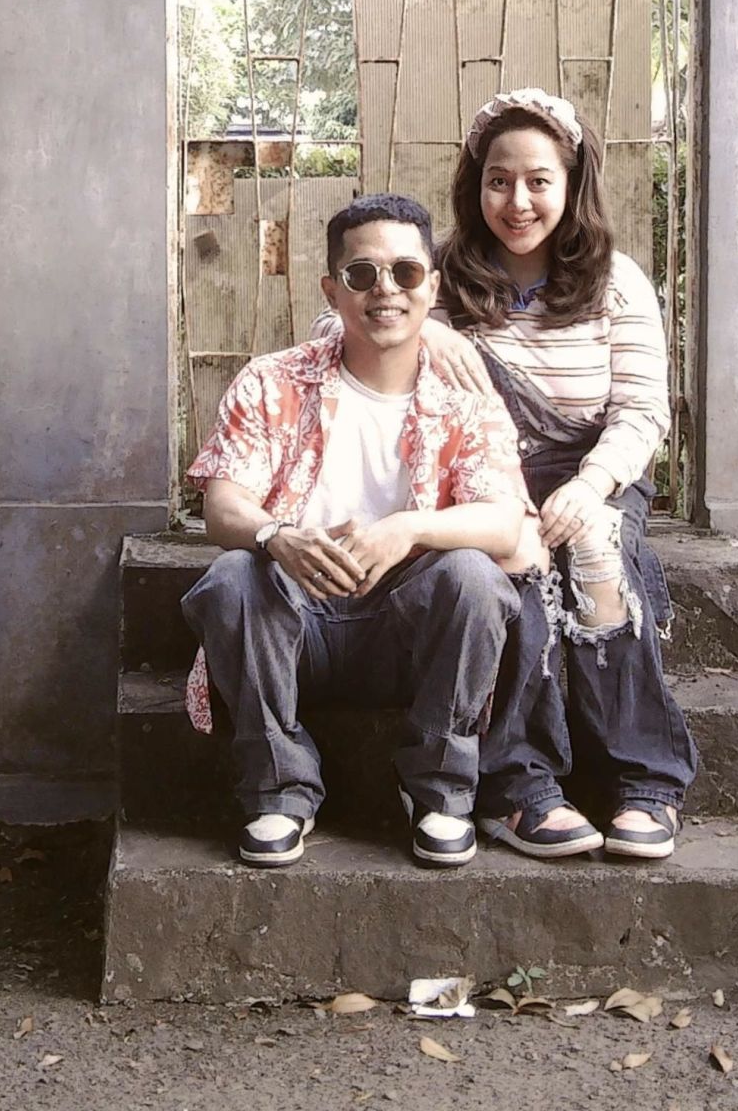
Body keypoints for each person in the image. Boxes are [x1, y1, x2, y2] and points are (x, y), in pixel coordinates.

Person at [179, 194, 575, 869]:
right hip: (296, 627)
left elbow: (505, 520)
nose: (385, 290)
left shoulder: (466, 400)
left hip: (408, 634)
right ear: (332, 291)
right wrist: (278, 536)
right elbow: (223, 506)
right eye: (361, 275)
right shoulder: (272, 381)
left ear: (432, 287)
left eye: (405, 272)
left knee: (473, 575)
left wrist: (408, 529)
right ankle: (277, 791)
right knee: (233, 576)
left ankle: (440, 792)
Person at [424, 87, 696, 861]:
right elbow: (344, 323)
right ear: (475, 187)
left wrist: (589, 486)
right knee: (513, 565)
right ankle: (519, 787)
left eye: (538, 181)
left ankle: (644, 780)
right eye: (498, 181)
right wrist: (428, 337)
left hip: (593, 472)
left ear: (572, 185)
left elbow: (642, 411)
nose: (517, 202)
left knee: (598, 551)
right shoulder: (438, 277)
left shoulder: (616, 281)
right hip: (484, 477)